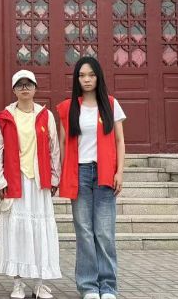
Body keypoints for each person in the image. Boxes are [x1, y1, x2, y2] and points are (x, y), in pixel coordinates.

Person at [56, 57, 126, 299]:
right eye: (82, 75)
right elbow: (63, 144)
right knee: (84, 231)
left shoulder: (111, 104)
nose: (86, 79)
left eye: (91, 75)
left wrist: (120, 171)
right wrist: (63, 173)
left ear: (98, 77)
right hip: (80, 173)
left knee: (104, 232)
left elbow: (120, 141)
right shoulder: (67, 108)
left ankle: (108, 286)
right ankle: (88, 286)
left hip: (104, 173)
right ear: (77, 79)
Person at [0, 70, 61, 299]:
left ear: (35, 88)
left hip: (39, 181)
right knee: (17, 232)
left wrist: (55, 177)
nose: (24, 88)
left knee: (39, 231)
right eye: (20, 85)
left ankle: (40, 284)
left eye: (28, 84)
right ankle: (18, 283)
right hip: (15, 180)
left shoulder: (45, 115)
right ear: (14, 90)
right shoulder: (5, 116)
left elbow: (54, 148)